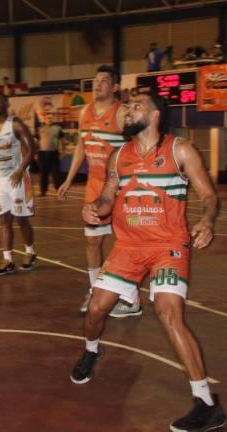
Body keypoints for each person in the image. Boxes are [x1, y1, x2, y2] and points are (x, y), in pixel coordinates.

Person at [71, 92, 227, 432]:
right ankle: (92, 350)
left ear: (155, 115)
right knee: (96, 309)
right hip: (127, 245)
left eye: (135, 105)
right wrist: (95, 208)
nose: (127, 110)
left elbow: (209, 195)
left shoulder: (179, 150)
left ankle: (206, 403)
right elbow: (107, 197)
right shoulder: (118, 155)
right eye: (126, 106)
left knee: (169, 313)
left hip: (167, 246)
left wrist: (207, 221)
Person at [58, 65, 141, 317]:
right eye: (96, 80)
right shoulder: (85, 112)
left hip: (121, 188)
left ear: (115, 87)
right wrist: (69, 179)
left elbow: (139, 146)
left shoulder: (122, 113)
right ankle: (95, 290)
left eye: (105, 80)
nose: (99, 84)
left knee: (127, 243)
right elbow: (82, 148)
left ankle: (131, 299)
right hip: (95, 187)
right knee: (92, 241)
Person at [0, 94, 37, 275]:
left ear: (6, 104)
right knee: (4, 220)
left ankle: (30, 252)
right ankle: (7, 259)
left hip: (17, 178)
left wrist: (20, 170)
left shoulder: (16, 124)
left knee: (21, 219)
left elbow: (32, 149)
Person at [37, 121, 63, 196]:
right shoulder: (40, 128)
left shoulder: (58, 128)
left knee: (56, 173)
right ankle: (43, 191)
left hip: (54, 153)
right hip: (42, 153)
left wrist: (63, 151)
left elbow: (62, 140)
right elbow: (37, 141)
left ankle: (59, 190)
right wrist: (35, 152)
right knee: (43, 173)